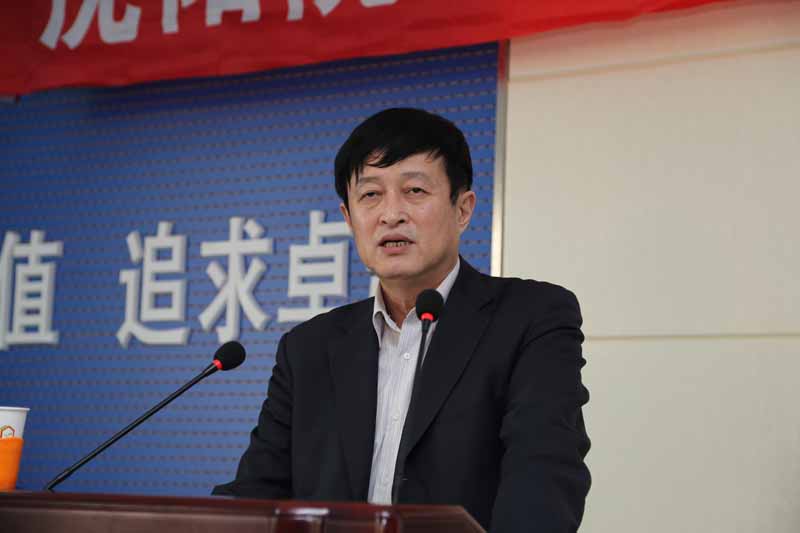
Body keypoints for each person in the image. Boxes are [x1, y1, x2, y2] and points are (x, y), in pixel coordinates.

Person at [213, 108, 591, 532]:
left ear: (463, 209)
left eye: (414, 190)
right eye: (370, 195)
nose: (391, 214)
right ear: (348, 218)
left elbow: (543, 478)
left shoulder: (531, 318)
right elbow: (256, 494)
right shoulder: (308, 348)